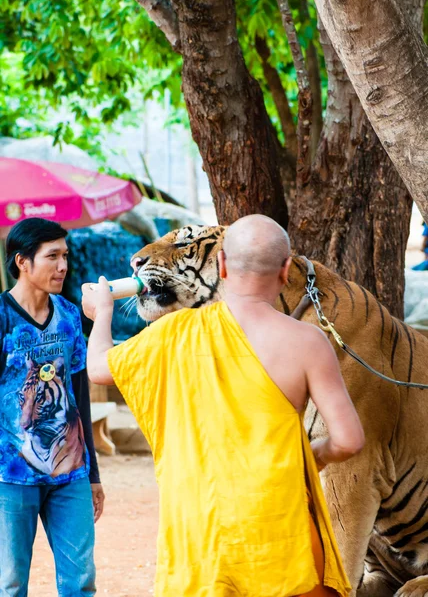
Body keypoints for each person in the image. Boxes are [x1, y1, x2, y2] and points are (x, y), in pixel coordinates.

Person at [82, 214, 364, 597]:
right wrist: (308, 455)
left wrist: (102, 316)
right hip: (282, 533)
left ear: (223, 265)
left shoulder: (171, 333)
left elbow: (98, 368)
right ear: (285, 270)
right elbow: (348, 440)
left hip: (201, 532)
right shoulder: (308, 341)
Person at [0, 217, 104, 597]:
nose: (63, 266)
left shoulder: (70, 315)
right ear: (22, 262)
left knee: (80, 582)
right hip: (10, 478)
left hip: (70, 473)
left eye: (65, 256)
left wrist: (92, 471)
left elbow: (79, 394)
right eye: (52, 256)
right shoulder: (1, 317)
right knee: (10, 585)